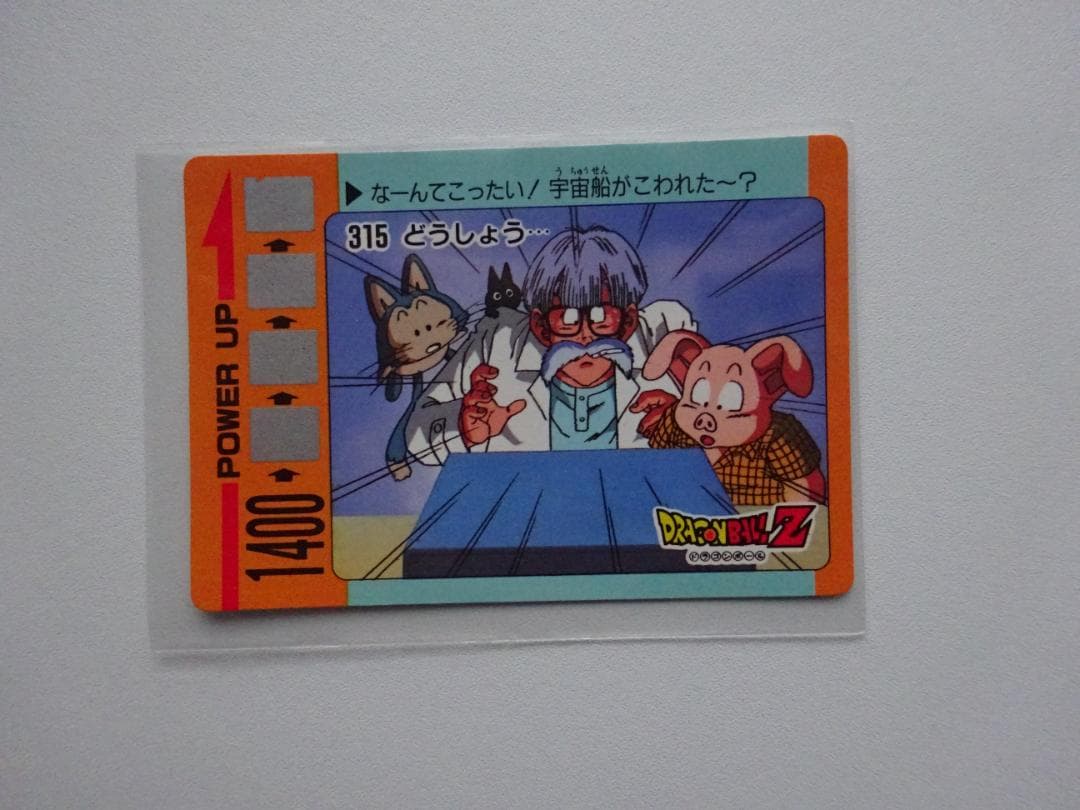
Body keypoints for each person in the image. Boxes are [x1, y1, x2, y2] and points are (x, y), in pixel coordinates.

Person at [404, 226, 695, 463]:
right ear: (540, 326)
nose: (585, 336)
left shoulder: (664, 338)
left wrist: (682, 425)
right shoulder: (498, 341)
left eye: (601, 317)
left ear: (628, 321)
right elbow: (416, 436)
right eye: (567, 319)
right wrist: (462, 428)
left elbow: (720, 437)